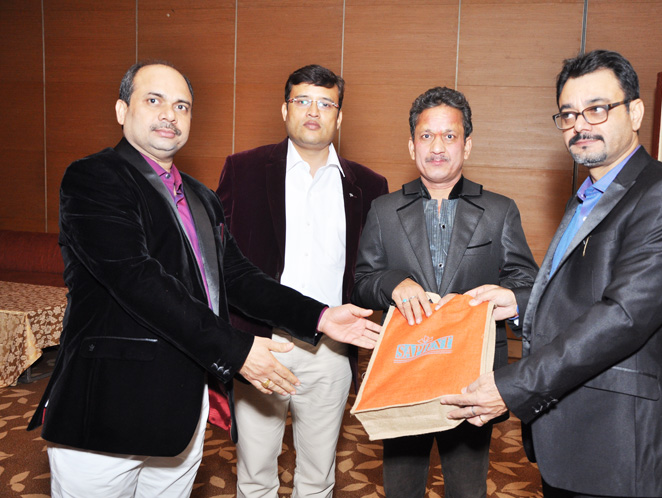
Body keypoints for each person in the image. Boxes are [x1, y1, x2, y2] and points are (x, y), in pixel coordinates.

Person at [26, 61, 382, 498]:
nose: (169, 115)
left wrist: (320, 316)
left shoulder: (200, 197)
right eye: (153, 100)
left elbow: (238, 276)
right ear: (122, 110)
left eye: (182, 106)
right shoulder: (95, 178)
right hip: (110, 405)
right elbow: (137, 280)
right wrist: (237, 349)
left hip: (182, 405)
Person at [442, 50, 662, 498]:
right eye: (568, 114)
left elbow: (623, 316)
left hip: (622, 446)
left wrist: (514, 386)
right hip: (571, 435)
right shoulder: (587, 195)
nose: (580, 125)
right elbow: (584, 291)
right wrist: (521, 302)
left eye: (597, 109)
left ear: (636, 112)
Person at [352, 86, 538, 497]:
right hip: (405, 371)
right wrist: (392, 283)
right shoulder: (384, 210)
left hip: (472, 379)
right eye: (426, 136)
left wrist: (509, 300)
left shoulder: (499, 210)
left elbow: (528, 284)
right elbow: (362, 282)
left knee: (467, 488)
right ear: (412, 145)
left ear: (466, 145)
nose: (437, 147)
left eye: (449, 136)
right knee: (401, 488)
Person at [216, 64, 388, 498]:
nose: (314, 111)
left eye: (326, 103)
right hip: (262, 344)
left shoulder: (369, 185)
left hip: (331, 348)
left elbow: (373, 268)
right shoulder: (243, 169)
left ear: (339, 117)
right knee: (255, 473)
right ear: (285, 109)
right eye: (303, 100)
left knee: (318, 474)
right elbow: (218, 262)